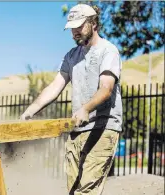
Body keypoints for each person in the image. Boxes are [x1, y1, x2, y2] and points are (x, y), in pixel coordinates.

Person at [20, 3, 123, 195]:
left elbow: (106, 88)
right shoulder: (71, 56)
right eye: (71, 28)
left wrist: (86, 108)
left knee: (87, 190)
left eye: (79, 26)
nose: (74, 32)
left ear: (93, 23)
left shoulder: (108, 51)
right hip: (76, 129)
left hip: (103, 128)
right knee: (72, 190)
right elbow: (54, 87)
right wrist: (30, 111)